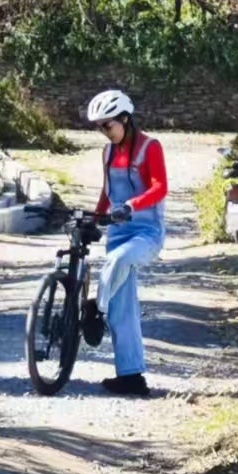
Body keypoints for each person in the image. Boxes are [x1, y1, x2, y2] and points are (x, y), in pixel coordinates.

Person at [87, 87, 167, 399]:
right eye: (99, 128)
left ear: (124, 118)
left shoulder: (150, 147)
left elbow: (161, 187)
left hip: (146, 233)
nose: (104, 133)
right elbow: (107, 193)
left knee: (119, 261)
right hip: (117, 233)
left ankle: (95, 308)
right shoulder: (107, 153)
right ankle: (131, 377)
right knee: (124, 309)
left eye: (108, 125)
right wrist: (95, 218)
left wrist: (133, 205)